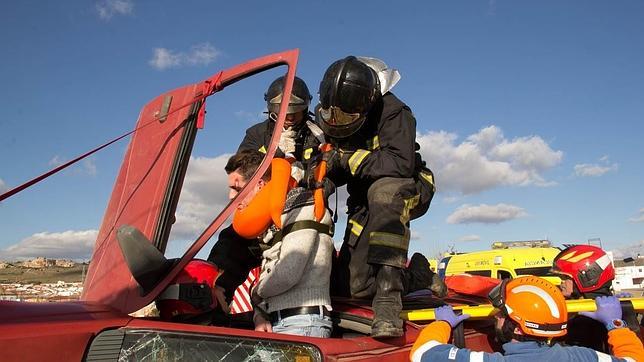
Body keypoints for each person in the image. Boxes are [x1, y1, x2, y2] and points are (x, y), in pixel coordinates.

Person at [316, 56, 436, 338]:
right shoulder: (337, 111)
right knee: (353, 287)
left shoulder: (394, 112)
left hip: (408, 188)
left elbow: (400, 164)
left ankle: (388, 299)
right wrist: (322, 179)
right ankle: (418, 275)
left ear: (366, 103)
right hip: (365, 201)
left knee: (384, 192)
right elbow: (339, 165)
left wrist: (345, 160)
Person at [410, 276, 644, 361]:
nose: (496, 318)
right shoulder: (581, 357)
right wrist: (616, 324)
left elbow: (422, 353)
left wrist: (442, 323)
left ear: (519, 328)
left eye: (502, 314)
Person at [228, 149, 334, 338]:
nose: (230, 196)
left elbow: (288, 272)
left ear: (259, 184)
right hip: (280, 321)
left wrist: (255, 292)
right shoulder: (278, 217)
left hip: (302, 323)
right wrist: (259, 315)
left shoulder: (302, 205)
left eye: (236, 188)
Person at [551, 245, 642, 351]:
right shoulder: (616, 308)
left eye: (565, 277)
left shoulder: (581, 322)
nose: (560, 282)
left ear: (588, 277)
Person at [238, 75, 325, 168]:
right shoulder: (256, 134)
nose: (290, 118)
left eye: (295, 112)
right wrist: (275, 153)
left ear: (304, 109)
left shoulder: (319, 134)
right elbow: (240, 169)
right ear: (273, 111)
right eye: (285, 113)